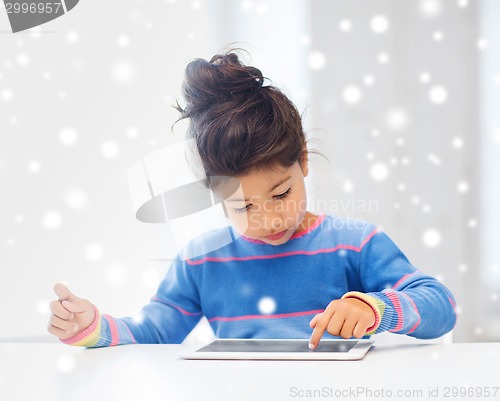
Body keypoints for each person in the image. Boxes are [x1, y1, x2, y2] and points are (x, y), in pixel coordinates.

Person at [48, 51, 457, 350]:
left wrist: (376, 309)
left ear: (303, 163)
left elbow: (441, 306)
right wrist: (95, 327)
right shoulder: (201, 261)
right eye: (243, 207)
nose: (270, 217)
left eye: (281, 193)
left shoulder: (354, 243)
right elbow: (154, 331)